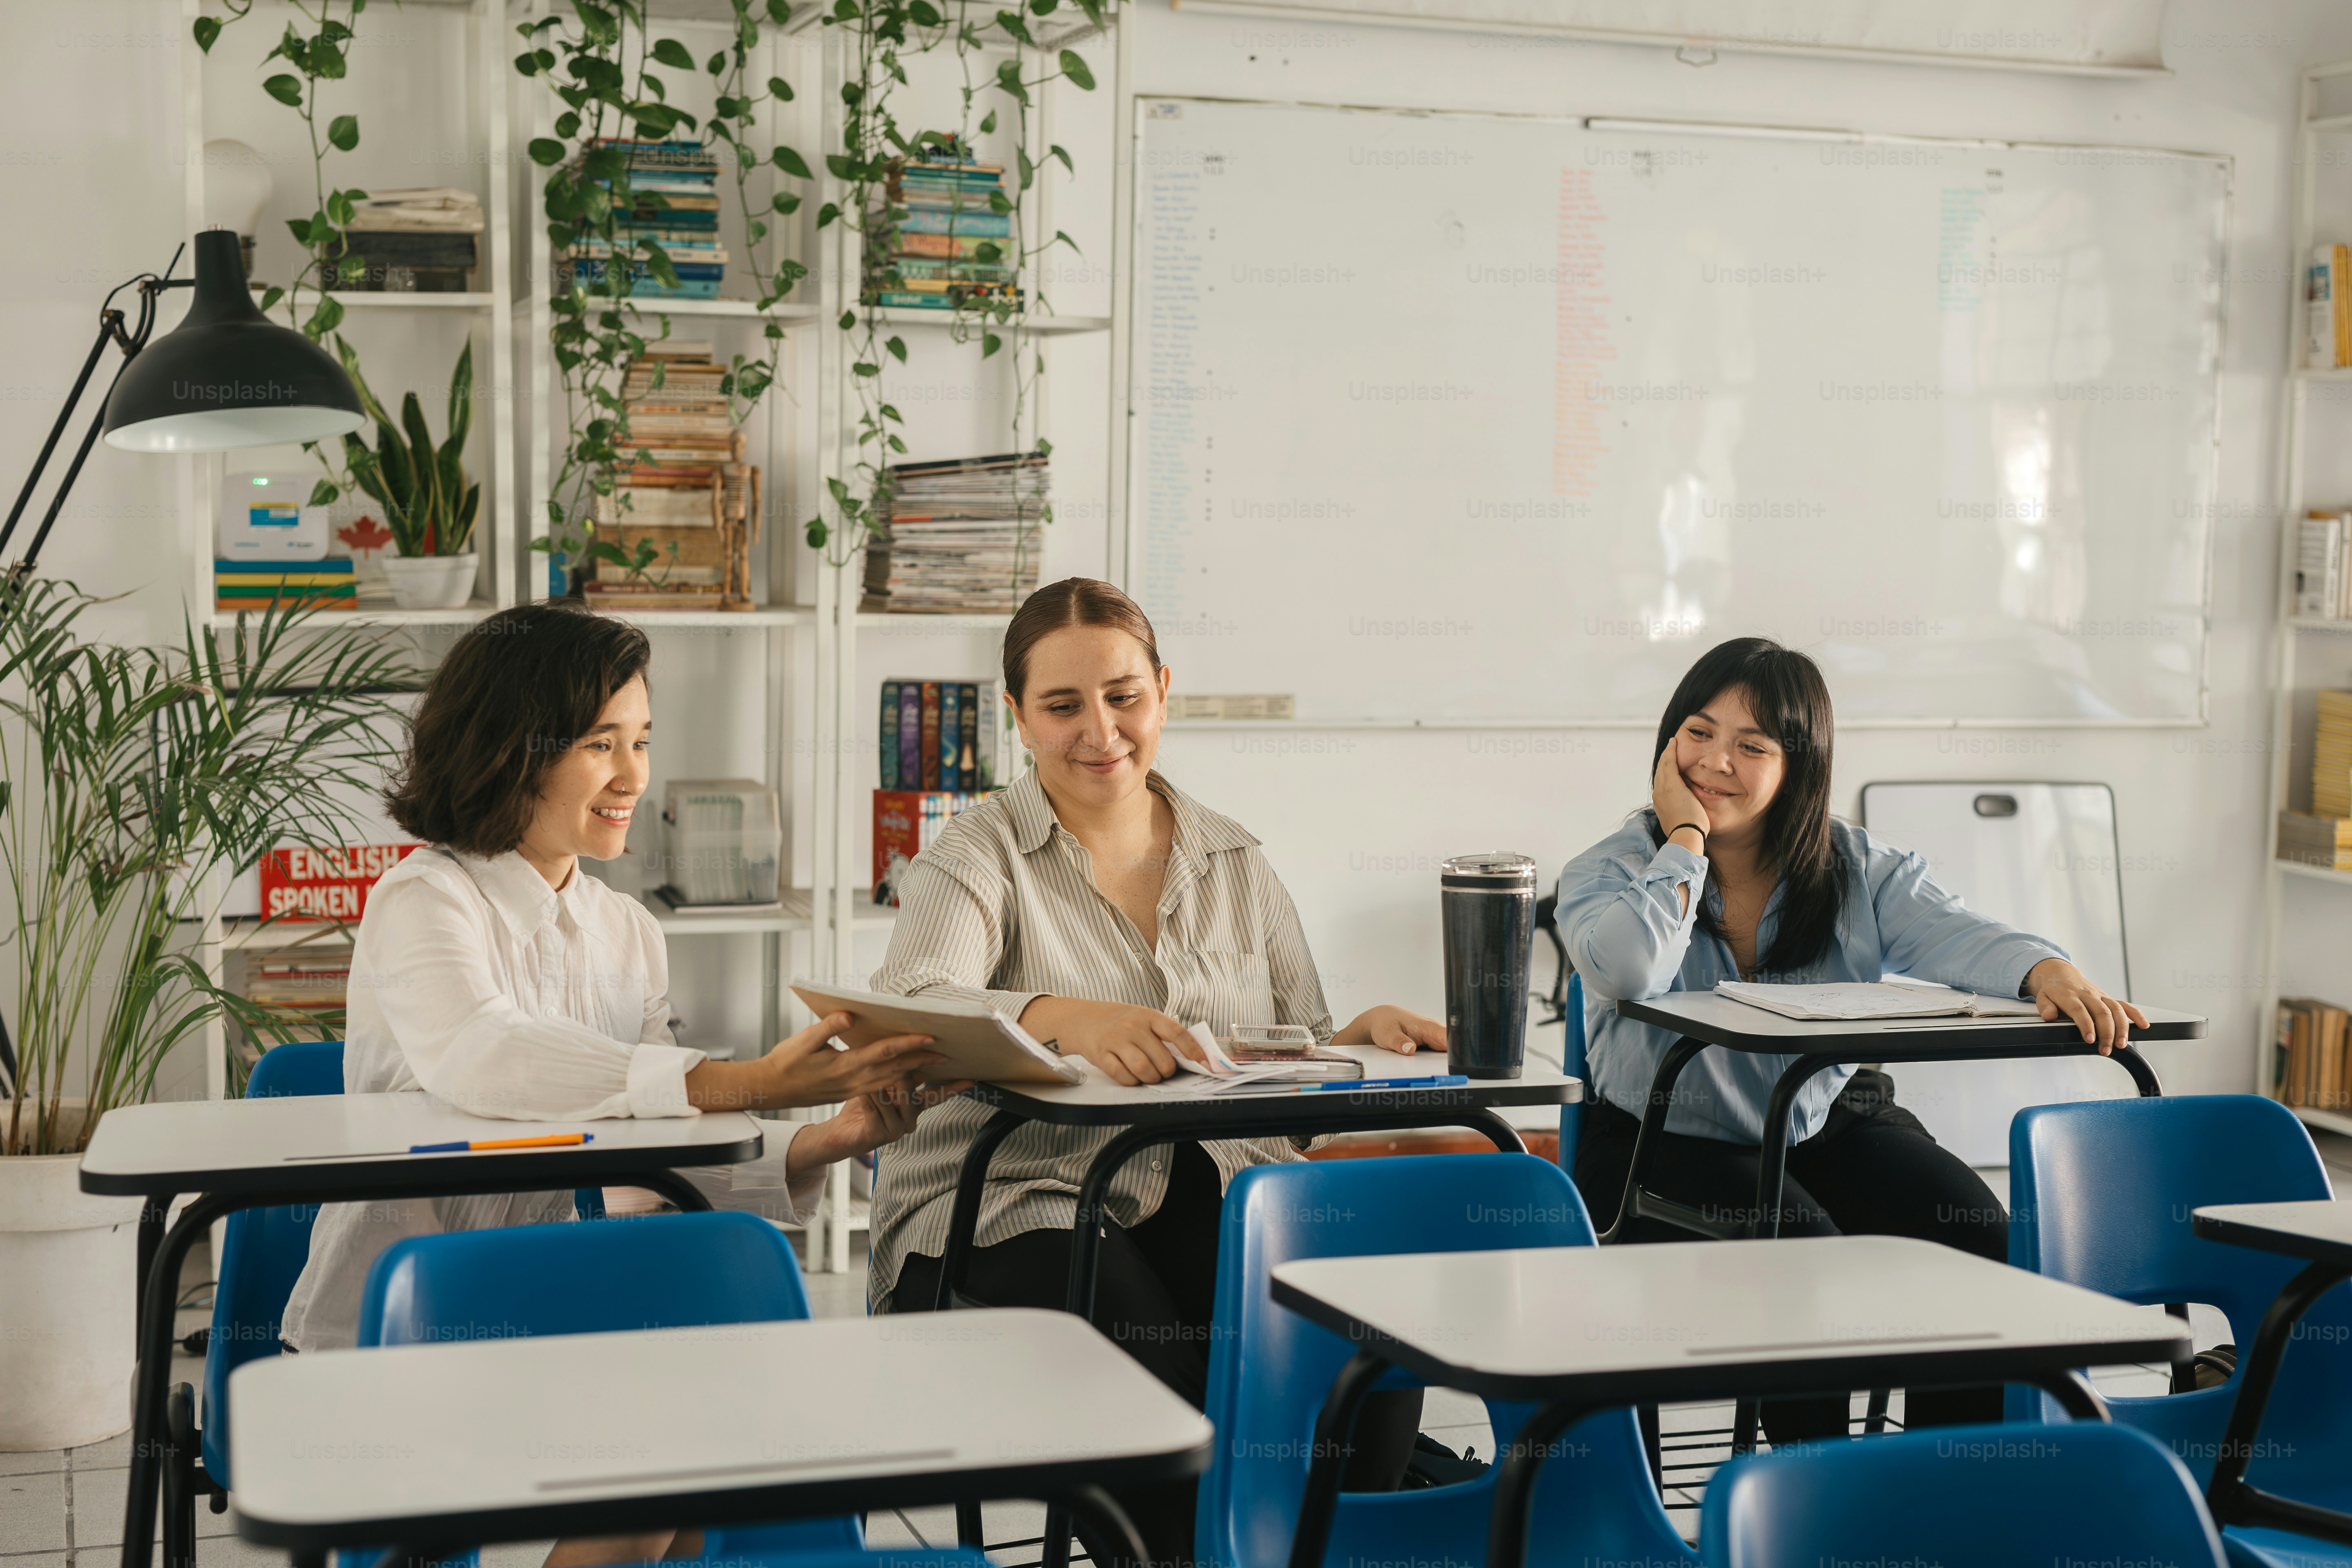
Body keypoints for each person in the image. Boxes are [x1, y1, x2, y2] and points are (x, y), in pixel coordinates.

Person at [280, 604, 957, 1557]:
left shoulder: (625, 930)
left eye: (641, 741)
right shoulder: (422, 899)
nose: (637, 777)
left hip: (569, 1318)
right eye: (604, 744)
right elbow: (486, 1053)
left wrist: (830, 1138)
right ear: (513, 748)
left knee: (706, 1455)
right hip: (403, 1333)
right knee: (664, 1458)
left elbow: (664, 1153)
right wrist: (749, 1082)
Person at [867, 577, 1444, 1568]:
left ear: (1163, 692)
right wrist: (1062, 1017)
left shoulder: (1235, 861)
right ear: (1018, 717)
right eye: (1062, 706)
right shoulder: (977, 851)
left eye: (1125, 696)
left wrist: (1349, 1039)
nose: (1101, 731)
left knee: (1360, 1330)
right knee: (1141, 1378)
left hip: (1210, 1187)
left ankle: (1341, 1527)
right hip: (1004, 1207)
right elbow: (913, 1004)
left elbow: (1290, 1059)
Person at [1559, 635, 2147, 1445]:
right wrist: (1686, 843)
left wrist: (2048, 969)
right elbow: (1627, 968)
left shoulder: (1854, 867)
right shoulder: (1607, 870)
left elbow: (1959, 932)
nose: (1714, 762)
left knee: (1975, 1233)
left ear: (1797, 767)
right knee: (1811, 1262)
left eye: (1751, 745)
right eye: (1698, 732)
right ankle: (1819, 1508)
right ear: (1667, 742)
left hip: (1821, 1120)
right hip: (1660, 1138)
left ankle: (1951, 1487)